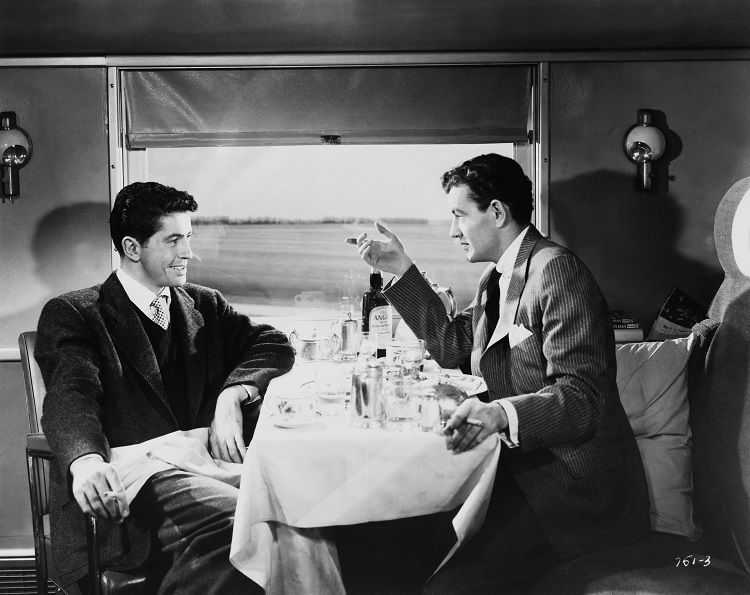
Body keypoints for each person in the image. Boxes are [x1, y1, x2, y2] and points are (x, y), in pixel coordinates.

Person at [349, 154, 650, 594]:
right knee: (388, 545)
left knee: (448, 588)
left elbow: (583, 396)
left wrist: (498, 414)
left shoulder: (557, 270)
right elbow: (453, 345)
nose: (453, 231)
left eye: (459, 215)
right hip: (516, 470)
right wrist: (400, 269)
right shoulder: (498, 276)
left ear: (496, 212)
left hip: (568, 489)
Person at [36, 182, 295, 593]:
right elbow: (71, 395)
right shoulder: (76, 313)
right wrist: (85, 462)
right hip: (129, 480)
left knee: (293, 513)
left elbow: (274, 344)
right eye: (173, 240)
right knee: (246, 523)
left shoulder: (204, 304)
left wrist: (233, 394)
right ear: (132, 248)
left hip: (200, 464)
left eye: (188, 237)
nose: (188, 252)